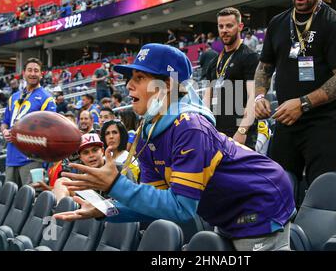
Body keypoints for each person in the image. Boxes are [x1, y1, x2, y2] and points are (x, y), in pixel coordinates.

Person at [54, 43, 295, 251]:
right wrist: (104, 210)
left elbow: (182, 208)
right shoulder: (149, 131)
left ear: (166, 84)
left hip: (260, 199)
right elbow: (153, 204)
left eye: (139, 78)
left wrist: (115, 184)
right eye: (130, 78)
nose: (128, 86)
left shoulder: (189, 127)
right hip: (230, 205)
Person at [254, 0, 336, 186]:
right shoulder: (278, 23)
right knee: (278, 189)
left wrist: (303, 103)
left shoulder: (335, 24)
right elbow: (264, 67)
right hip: (286, 121)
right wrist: (259, 95)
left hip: (323, 125)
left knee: (322, 190)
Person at [204, 7, 259, 148]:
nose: (224, 30)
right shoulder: (214, 62)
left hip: (240, 133)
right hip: (217, 133)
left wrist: (242, 131)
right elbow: (206, 100)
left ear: (240, 27)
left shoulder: (249, 57)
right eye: (221, 26)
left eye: (229, 25)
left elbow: (253, 96)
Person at [0, 58, 57, 186]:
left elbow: (51, 130)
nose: (33, 73)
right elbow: (5, 122)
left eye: (36, 71)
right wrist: (4, 131)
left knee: (31, 200)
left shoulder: (46, 98)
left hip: (32, 159)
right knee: (11, 200)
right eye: (29, 70)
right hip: (11, 158)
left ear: (41, 74)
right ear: (24, 73)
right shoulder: (14, 97)